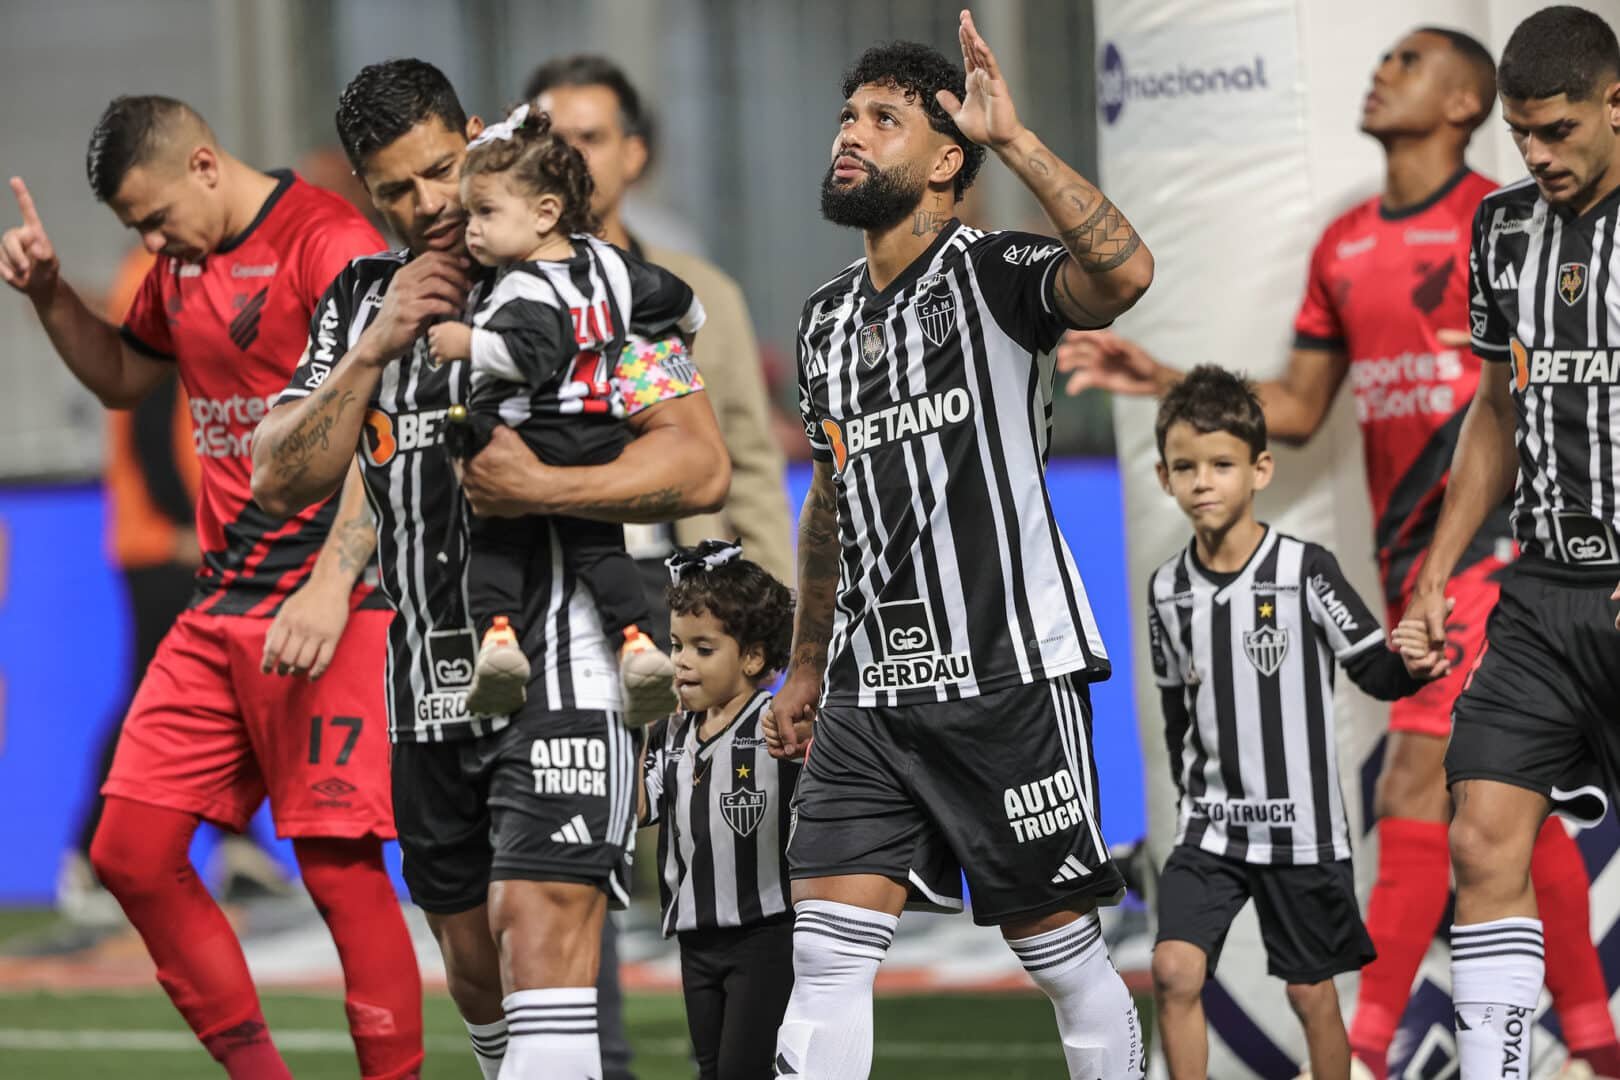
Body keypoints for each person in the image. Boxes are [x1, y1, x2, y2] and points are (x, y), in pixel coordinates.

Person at [1055, 25, 1620, 1076]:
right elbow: (1304, 407)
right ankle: (1588, 1039)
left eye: (1408, 61)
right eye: (1525, 132)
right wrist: (1161, 374)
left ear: (1460, 101)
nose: (1380, 69)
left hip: (1524, 551)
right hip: (1447, 555)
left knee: (1423, 785)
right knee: (1499, 826)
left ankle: (1367, 1050)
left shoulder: (1482, 222)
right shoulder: (1363, 241)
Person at [249, 58, 731, 1080]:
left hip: (565, 675)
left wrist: (543, 490)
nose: (426, 206)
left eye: (439, 171)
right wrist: (373, 351)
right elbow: (279, 476)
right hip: (426, 699)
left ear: (475, 136)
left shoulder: (584, 280)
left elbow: (699, 461)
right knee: (477, 976)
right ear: (364, 192)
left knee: (537, 930)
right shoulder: (357, 304)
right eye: (395, 190)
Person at [764, 14, 1154, 1078]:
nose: (850, 133)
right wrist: (806, 662)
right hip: (866, 691)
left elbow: (1123, 277)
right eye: (848, 115)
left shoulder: (992, 274)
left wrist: (1016, 142)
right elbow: (834, 496)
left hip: (1007, 677)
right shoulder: (823, 321)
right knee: (826, 955)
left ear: (945, 162)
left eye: (883, 120)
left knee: (1062, 957)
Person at [0, 97, 422, 1079]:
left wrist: (331, 581)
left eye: (153, 218)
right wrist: (53, 294)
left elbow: (388, 415)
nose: (150, 242)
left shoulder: (329, 240)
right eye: (133, 231)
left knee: (337, 866)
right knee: (131, 855)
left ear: (202, 163)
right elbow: (119, 377)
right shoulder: (177, 266)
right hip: (222, 600)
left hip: (328, 597)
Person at [1393, 8, 1620, 1075]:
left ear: (1616, 103)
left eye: (1559, 131)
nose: (1537, 154)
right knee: (1481, 836)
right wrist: (1436, 574)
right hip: (1537, 590)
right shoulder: (1503, 228)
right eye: (1523, 135)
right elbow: (1493, 413)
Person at [1146, 366, 1445, 1080]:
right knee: (1173, 971)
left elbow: (1372, 667)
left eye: (1221, 465)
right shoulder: (1168, 591)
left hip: (1300, 827)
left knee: (1312, 996)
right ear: (1163, 477)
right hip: (1211, 827)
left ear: (1260, 469)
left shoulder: (1305, 570)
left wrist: (1414, 663)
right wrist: (1192, 801)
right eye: (1185, 467)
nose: (1202, 482)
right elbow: (1174, 708)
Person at [423, 103, 700, 722]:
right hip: (599, 431)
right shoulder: (610, 264)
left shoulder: (520, 284)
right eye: (469, 213)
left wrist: (467, 342)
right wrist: (689, 331)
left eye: (485, 213)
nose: (471, 230)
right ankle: (637, 644)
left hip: (530, 430)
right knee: (602, 552)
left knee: (497, 539)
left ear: (546, 211)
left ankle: (497, 640)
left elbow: (531, 350)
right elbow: (675, 299)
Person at [525, 54, 796, 638]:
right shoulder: (492, 297)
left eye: (590, 137)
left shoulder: (704, 296)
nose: (568, 156)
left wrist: (776, 630)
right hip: (543, 603)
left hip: (688, 605)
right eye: (552, 138)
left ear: (634, 154)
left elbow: (749, 465)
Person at [637, 540, 799, 1079]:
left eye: (703, 649)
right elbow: (639, 811)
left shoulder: (775, 722)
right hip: (694, 939)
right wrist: (634, 729)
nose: (681, 660)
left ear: (752, 656)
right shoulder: (670, 732)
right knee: (710, 1069)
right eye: (677, 644)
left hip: (764, 935)